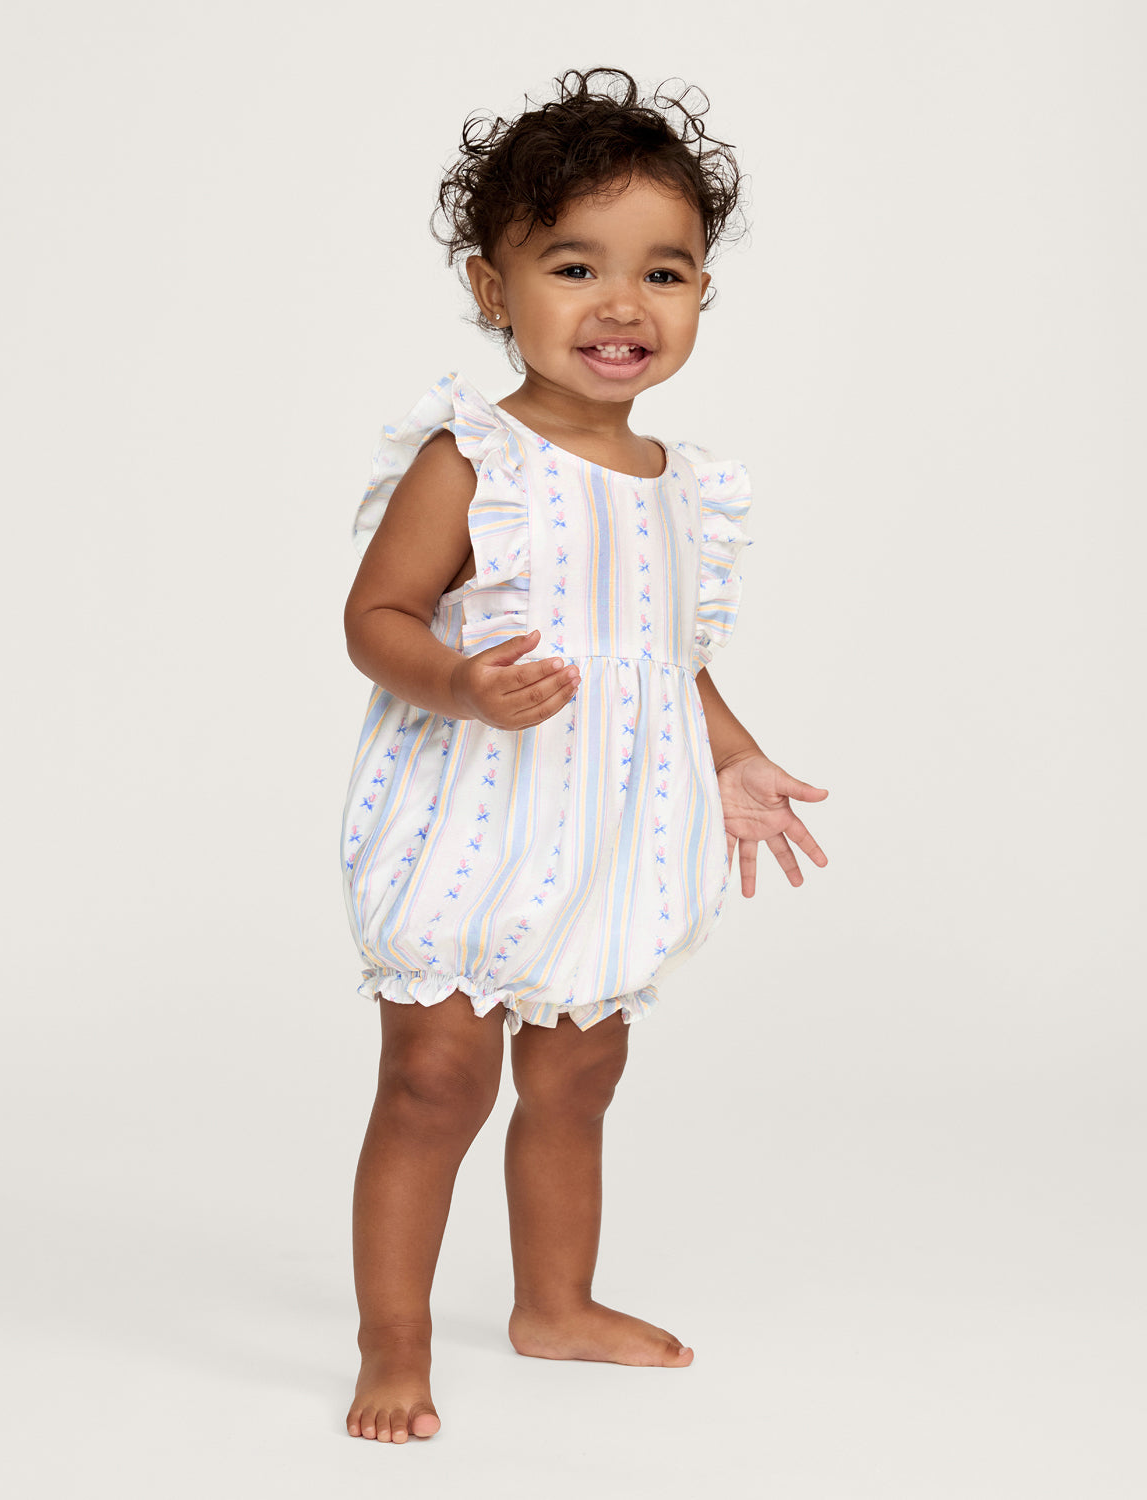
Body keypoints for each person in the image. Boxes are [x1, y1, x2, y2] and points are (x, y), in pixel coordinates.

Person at [339, 67, 828, 1443]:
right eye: (575, 264)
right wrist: (457, 680)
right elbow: (374, 618)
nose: (623, 303)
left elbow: (665, 652)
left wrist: (731, 753)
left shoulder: (683, 485)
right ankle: (393, 1341)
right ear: (496, 291)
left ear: (700, 296)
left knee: (580, 1074)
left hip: (612, 828)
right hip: (473, 811)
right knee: (435, 1079)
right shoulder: (473, 456)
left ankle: (553, 1302)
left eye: (663, 270)